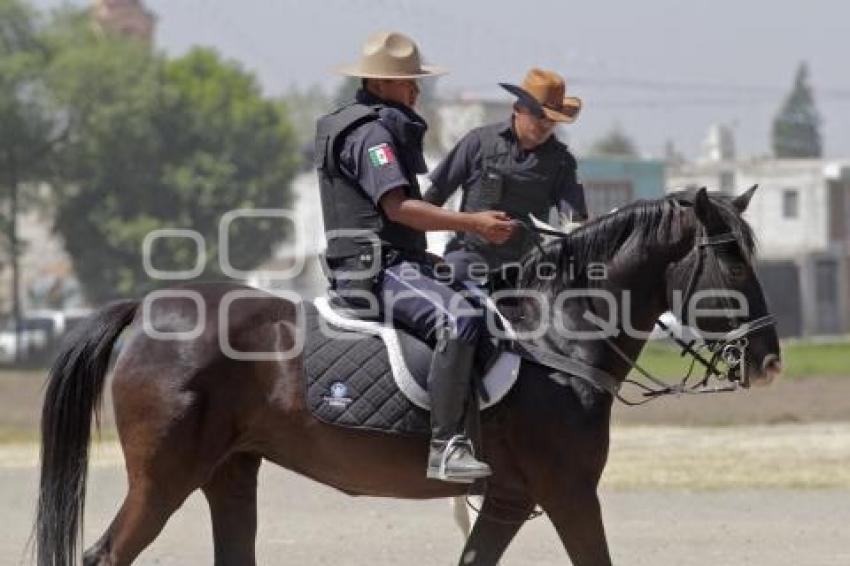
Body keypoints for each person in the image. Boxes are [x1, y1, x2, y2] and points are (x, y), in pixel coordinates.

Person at [314, 31, 515, 483]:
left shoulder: (376, 125)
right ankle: (446, 446)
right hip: (375, 269)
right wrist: (475, 223)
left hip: (394, 259)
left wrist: (426, 260)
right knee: (458, 320)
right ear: (382, 83)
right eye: (409, 81)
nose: (416, 89)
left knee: (479, 305)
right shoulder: (371, 135)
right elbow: (398, 209)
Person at [424, 68, 588, 284]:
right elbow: (430, 201)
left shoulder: (562, 163)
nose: (546, 125)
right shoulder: (478, 143)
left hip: (527, 267)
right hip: (470, 258)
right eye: (540, 116)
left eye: (552, 119)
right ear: (518, 108)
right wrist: (417, 251)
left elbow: (574, 222)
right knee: (446, 289)